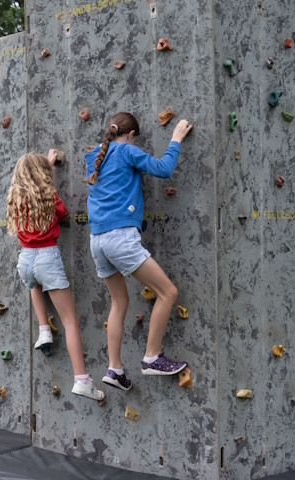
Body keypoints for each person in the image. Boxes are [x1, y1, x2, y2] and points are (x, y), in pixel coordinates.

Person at [85, 112, 192, 391]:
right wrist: (176, 139)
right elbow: (163, 168)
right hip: (121, 237)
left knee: (119, 303)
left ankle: (115, 369)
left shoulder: (94, 155)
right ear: (131, 135)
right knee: (168, 292)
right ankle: (151, 357)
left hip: (97, 240)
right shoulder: (127, 150)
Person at [7, 152, 104, 401]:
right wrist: (50, 177)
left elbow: (30, 188)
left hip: (25, 259)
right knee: (70, 320)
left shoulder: (16, 198)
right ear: (43, 176)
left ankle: (44, 330)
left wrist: (44, 166)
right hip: (47, 257)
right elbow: (61, 212)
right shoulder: (49, 195)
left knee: (33, 284)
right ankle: (82, 379)